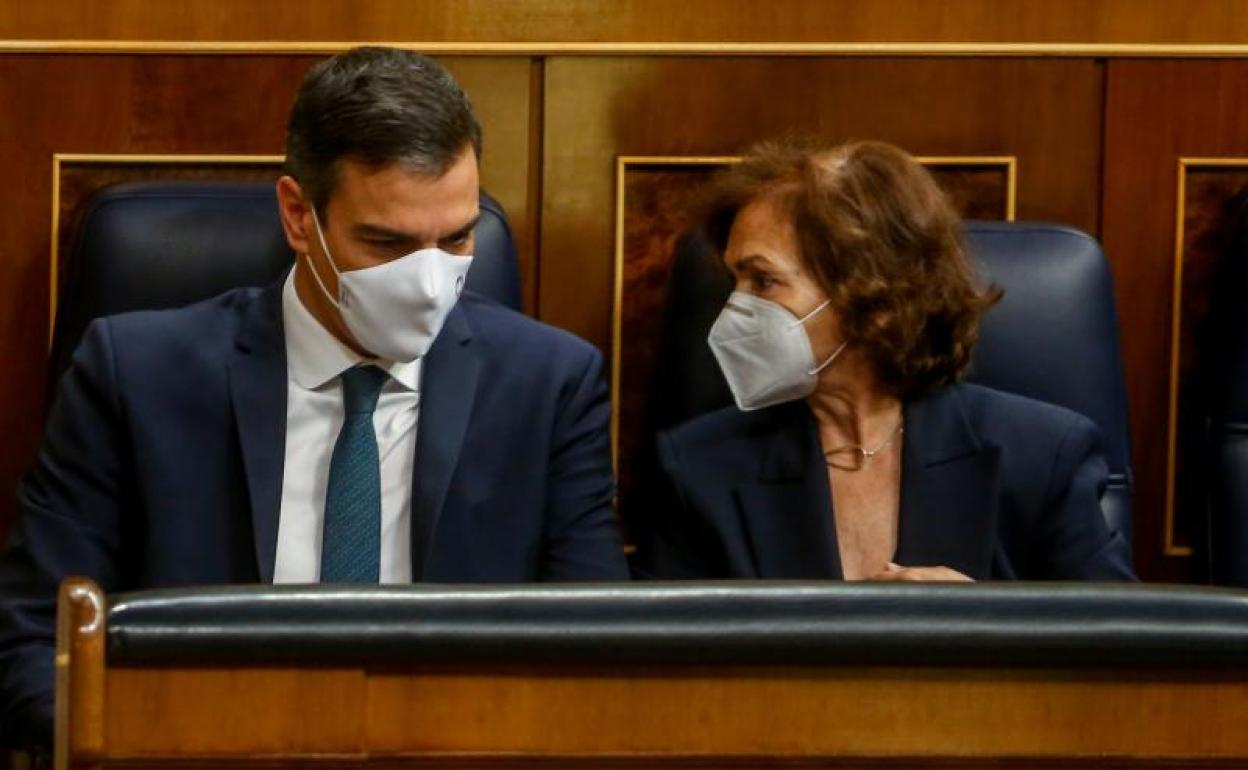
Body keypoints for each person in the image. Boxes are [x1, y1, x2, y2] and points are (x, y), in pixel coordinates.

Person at [0, 46, 627, 750]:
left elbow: (596, 658)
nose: (428, 283)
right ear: (299, 216)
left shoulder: (549, 387)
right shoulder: (135, 375)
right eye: (387, 244)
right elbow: (32, 641)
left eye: (456, 238)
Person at [634, 138, 1135, 583]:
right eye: (734, 282)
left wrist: (987, 627)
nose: (734, 310)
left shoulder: (1042, 456)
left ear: (868, 295)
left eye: (763, 281)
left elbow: (1120, 654)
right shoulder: (698, 469)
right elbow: (661, 671)